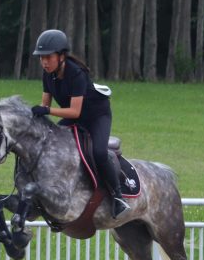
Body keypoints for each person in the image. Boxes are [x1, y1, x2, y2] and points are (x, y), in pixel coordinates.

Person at [30, 29, 130, 219]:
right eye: (41, 58)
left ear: (61, 56)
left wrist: (47, 111)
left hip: (96, 117)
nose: (44, 62)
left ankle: (118, 196)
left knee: (99, 152)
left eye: (48, 57)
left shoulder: (76, 74)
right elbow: (45, 105)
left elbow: (73, 111)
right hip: (75, 116)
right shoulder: (47, 75)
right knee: (51, 142)